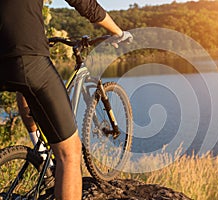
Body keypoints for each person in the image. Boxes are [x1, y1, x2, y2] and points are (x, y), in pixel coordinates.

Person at [0, 0, 133, 199]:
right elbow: (85, 4)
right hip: (27, 59)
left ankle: (40, 147)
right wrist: (118, 32)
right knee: (69, 153)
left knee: (25, 88)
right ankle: (48, 154)